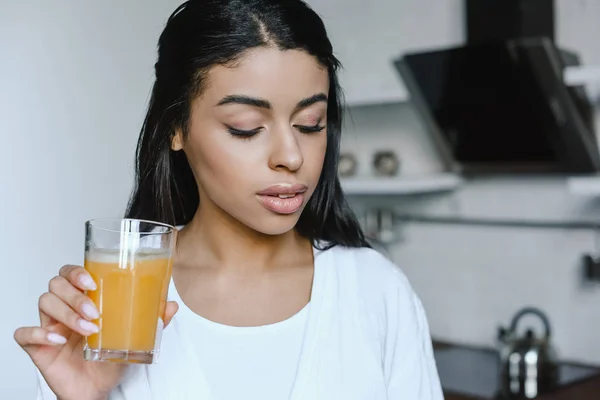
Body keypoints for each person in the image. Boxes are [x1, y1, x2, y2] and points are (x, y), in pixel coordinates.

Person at [14, 0, 444, 399]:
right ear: (175, 129)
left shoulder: (376, 291)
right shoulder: (117, 309)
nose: (291, 157)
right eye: (245, 127)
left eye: (311, 123)